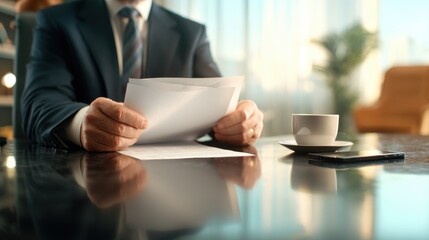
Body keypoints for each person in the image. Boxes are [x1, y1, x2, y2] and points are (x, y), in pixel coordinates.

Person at [22, 0, 264, 152]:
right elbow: (38, 103)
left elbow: (221, 108)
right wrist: (82, 122)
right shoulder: (58, 21)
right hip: (80, 188)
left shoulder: (192, 33)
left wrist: (243, 120)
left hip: (174, 188)